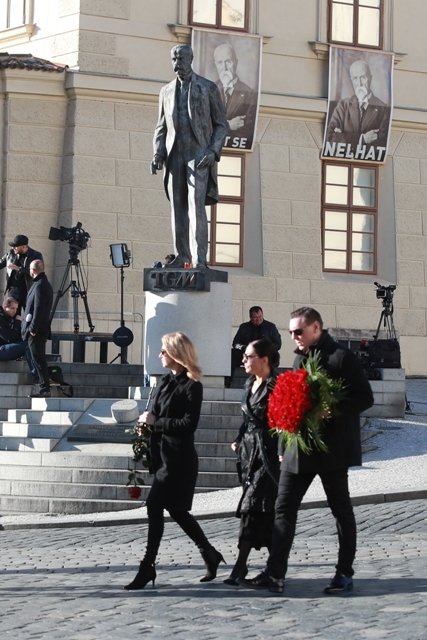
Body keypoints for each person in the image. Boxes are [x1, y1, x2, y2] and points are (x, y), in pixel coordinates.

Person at [244, 306, 374, 594]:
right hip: (297, 450)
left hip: (332, 450)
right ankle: (275, 573)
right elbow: (288, 404)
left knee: (340, 510)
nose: (294, 337)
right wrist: (282, 444)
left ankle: (344, 573)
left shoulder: (342, 357)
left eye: (298, 331)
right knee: (283, 509)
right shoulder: (299, 358)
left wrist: (330, 410)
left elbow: (365, 398)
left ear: (316, 328)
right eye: (290, 332)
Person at [124, 331, 225, 590]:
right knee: (178, 511)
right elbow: (155, 414)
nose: (160, 355)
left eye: (164, 351)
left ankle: (147, 566)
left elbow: (188, 424)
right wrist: (145, 425)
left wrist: (156, 423)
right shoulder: (164, 382)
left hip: (179, 461)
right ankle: (209, 553)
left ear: (177, 355)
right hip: (161, 457)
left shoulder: (193, 386)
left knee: (154, 506)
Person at [151, 44, 227, 270]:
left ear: (191, 59)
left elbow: (221, 125)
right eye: (174, 60)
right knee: (178, 208)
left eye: (181, 59)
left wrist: (213, 151)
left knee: (196, 208)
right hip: (175, 155)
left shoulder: (208, 88)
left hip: (198, 154)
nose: (177, 64)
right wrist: (158, 152)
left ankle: (199, 259)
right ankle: (182, 255)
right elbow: (161, 126)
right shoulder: (165, 91)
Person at [224, 339, 280, 586]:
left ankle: (240, 565)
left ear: (264, 359)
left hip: (267, 456)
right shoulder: (249, 384)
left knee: (250, 506)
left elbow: (284, 423)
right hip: (248, 455)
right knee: (262, 511)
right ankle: (275, 566)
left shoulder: (276, 386)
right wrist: (238, 439)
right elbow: (246, 418)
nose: (243, 360)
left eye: (248, 356)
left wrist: (282, 449)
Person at [325, 59, 390, 162]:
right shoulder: (343, 105)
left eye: (363, 77)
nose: (359, 83)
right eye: (355, 78)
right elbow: (330, 137)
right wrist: (362, 139)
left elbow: (382, 144)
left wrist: (343, 136)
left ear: (370, 78)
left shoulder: (383, 109)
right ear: (351, 80)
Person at [213, 42, 257, 150]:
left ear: (236, 62)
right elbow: (202, 123)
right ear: (215, 65)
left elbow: (248, 130)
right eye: (220, 62)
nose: (224, 67)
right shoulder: (208, 91)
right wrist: (228, 125)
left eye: (228, 61)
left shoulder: (249, 94)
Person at [21, 259, 53, 398]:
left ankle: (44, 388)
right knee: (36, 358)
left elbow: (39, 309)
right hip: (37, 328)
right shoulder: (39, 283)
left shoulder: (40, 285)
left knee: (38, 358)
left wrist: (33, 328)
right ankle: (43, 386)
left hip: (37, 330)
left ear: (33, 270)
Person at [228, 306, 282, 386]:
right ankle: (227, 382)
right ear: (250, 317)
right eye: (255, 317)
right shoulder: (244, 327)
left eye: (260, 316)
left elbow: (278, 344)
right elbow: (235, 344)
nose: (258, 319)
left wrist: (267, 349)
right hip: (247, 355)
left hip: (265, 356)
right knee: (232, 353)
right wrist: (244, 348)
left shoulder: (271, 327)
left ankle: (272, 384)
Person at [0, 234, 43, 311]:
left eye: (16, 246)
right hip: (13, 292)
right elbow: (1, 263)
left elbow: (38, 272)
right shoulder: (10, 254)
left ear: (24, 246)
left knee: (29, 315)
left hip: (28, 291)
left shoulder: (36, 255)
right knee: (12, 316)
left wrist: (20, 269)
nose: (13, 248)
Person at [0, 296, 27, 361]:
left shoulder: (8, 317)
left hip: (4, 347)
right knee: (27, 345)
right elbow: (9, 338)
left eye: (16, 308)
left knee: (30, 342)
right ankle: (36, 370)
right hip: (1, 350)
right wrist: (17, 322)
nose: (15, 311)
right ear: (5, 307)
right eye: (12, 308)